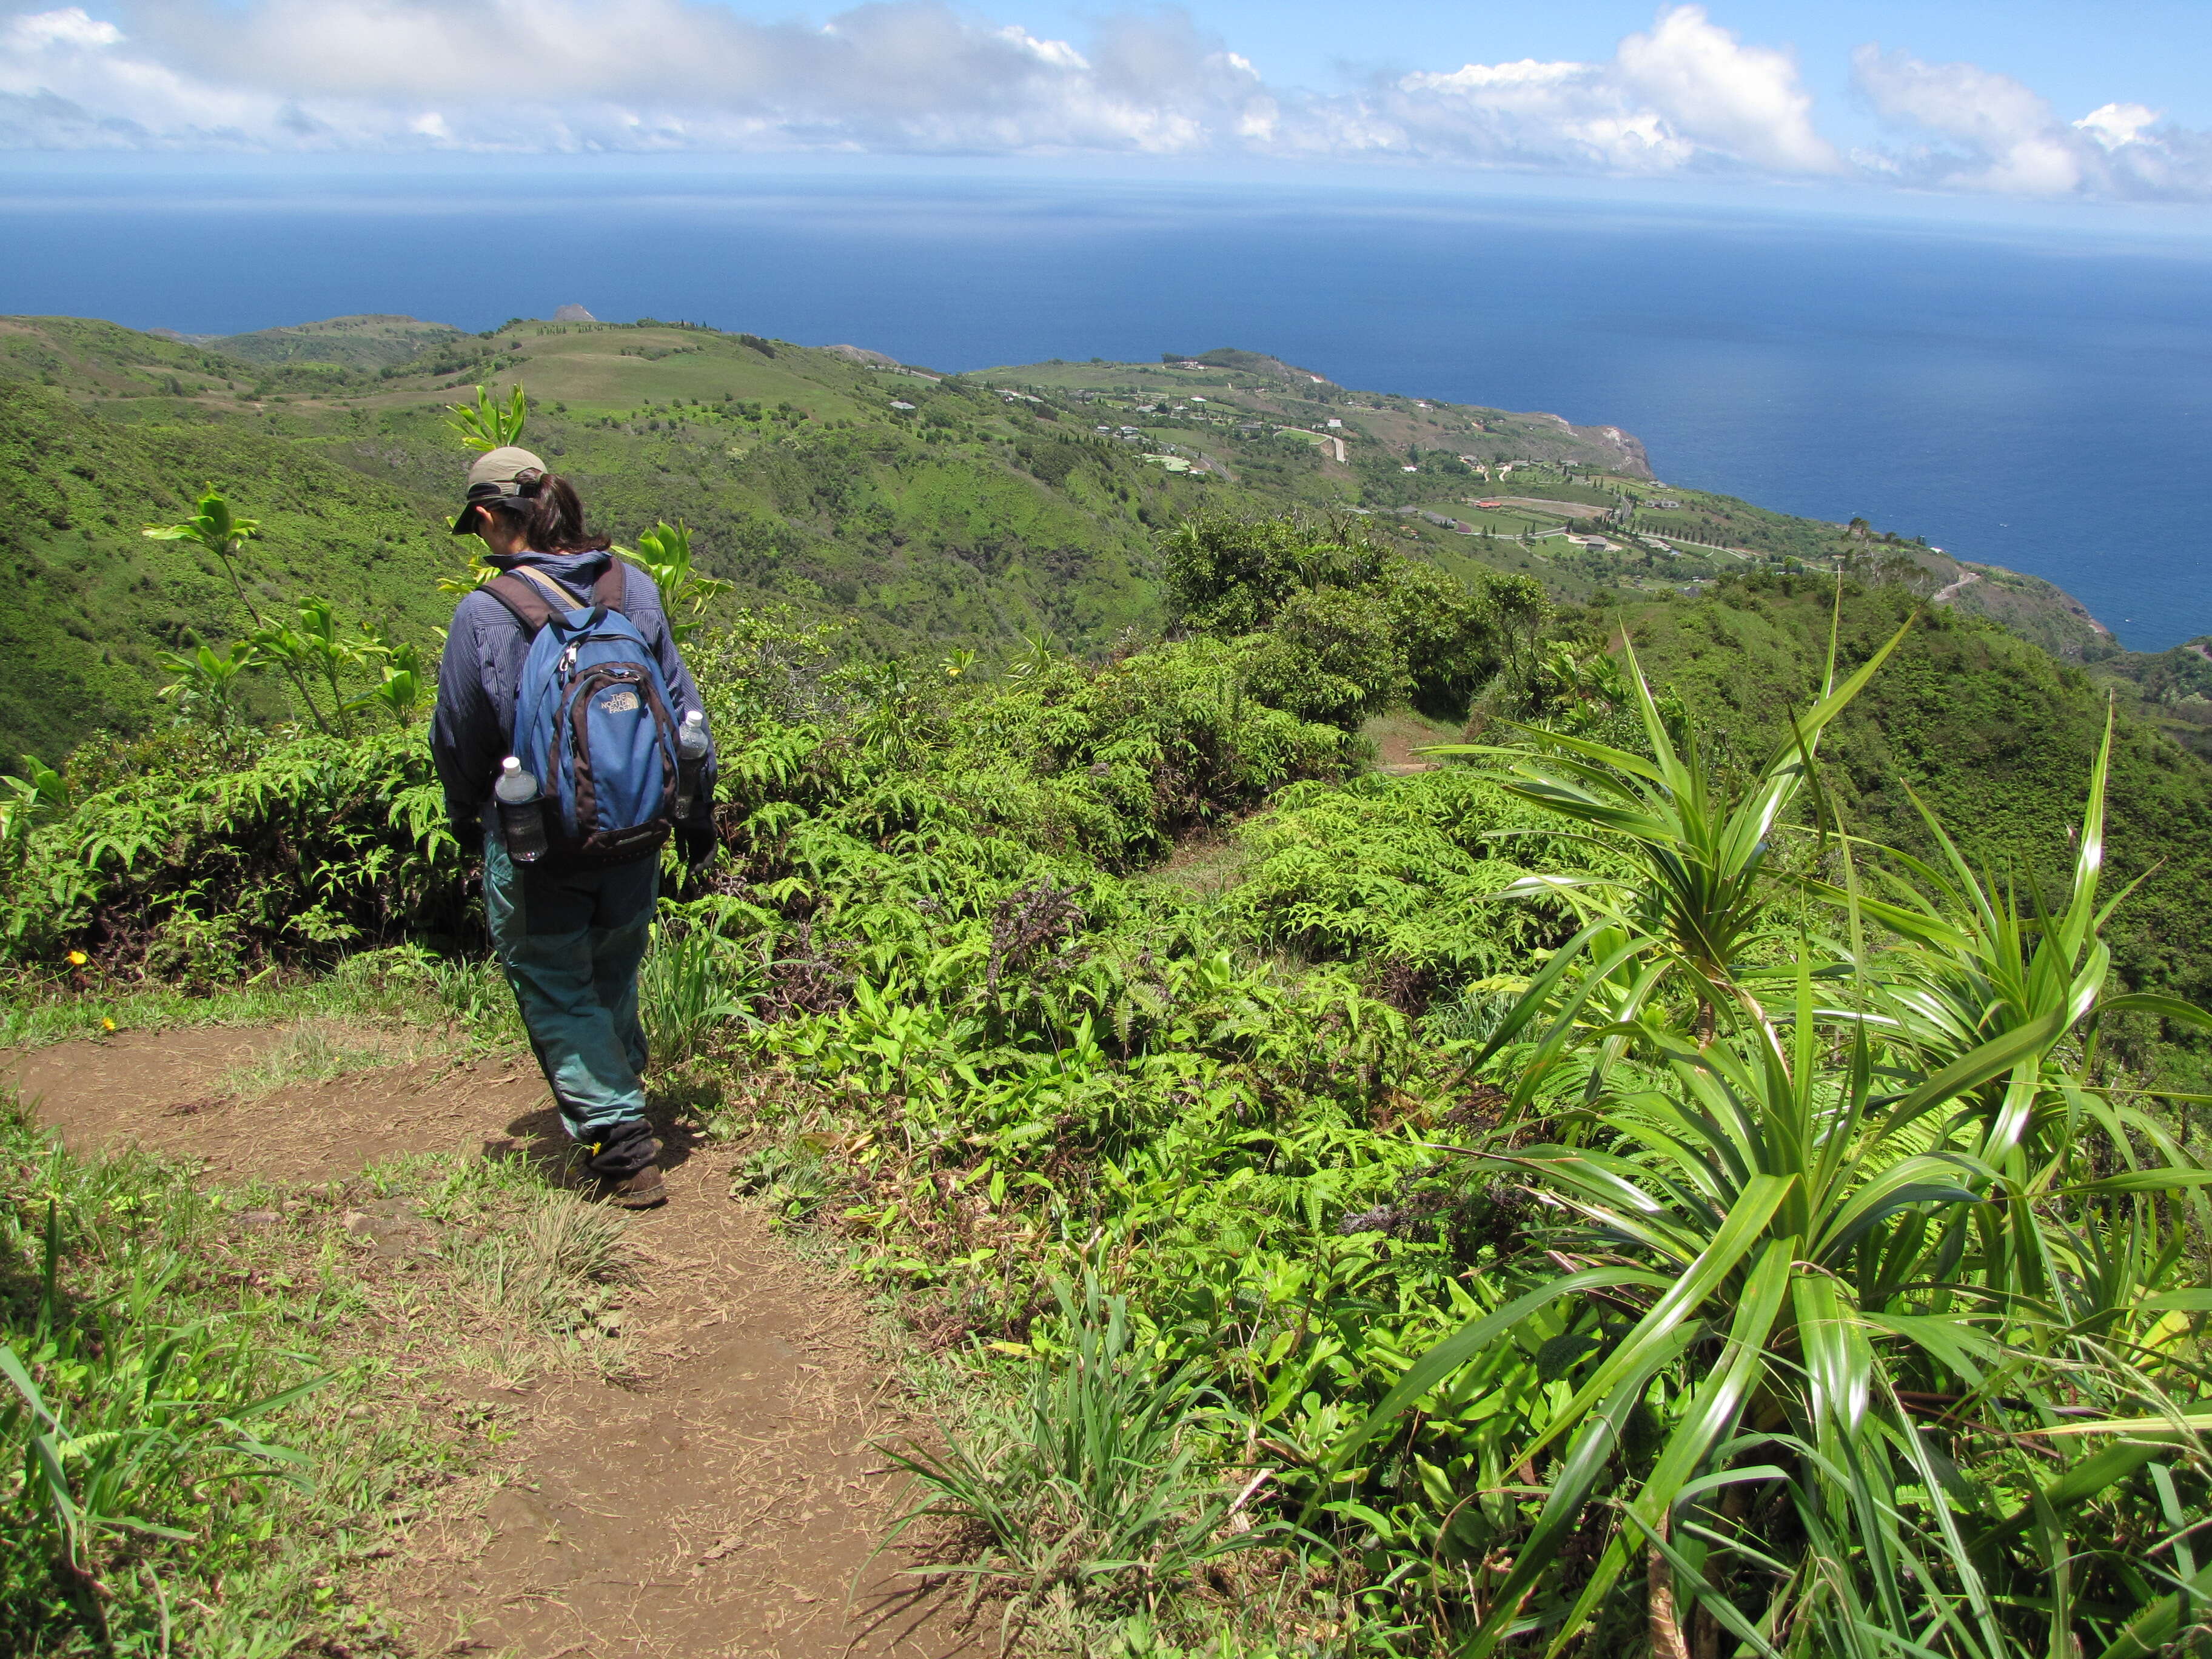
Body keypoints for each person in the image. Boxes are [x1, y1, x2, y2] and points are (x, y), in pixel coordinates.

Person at [430, 446, 716, 1208]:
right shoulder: (636, 590)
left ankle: (620, 1144)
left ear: (490, 518)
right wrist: (698, 810)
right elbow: (687, 715)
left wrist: (467, 819)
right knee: (613, 963)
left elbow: (458, 737)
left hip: (538, 842)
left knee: (554, 978)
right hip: (636, 831)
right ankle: (620, 1088)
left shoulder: (486, 612)